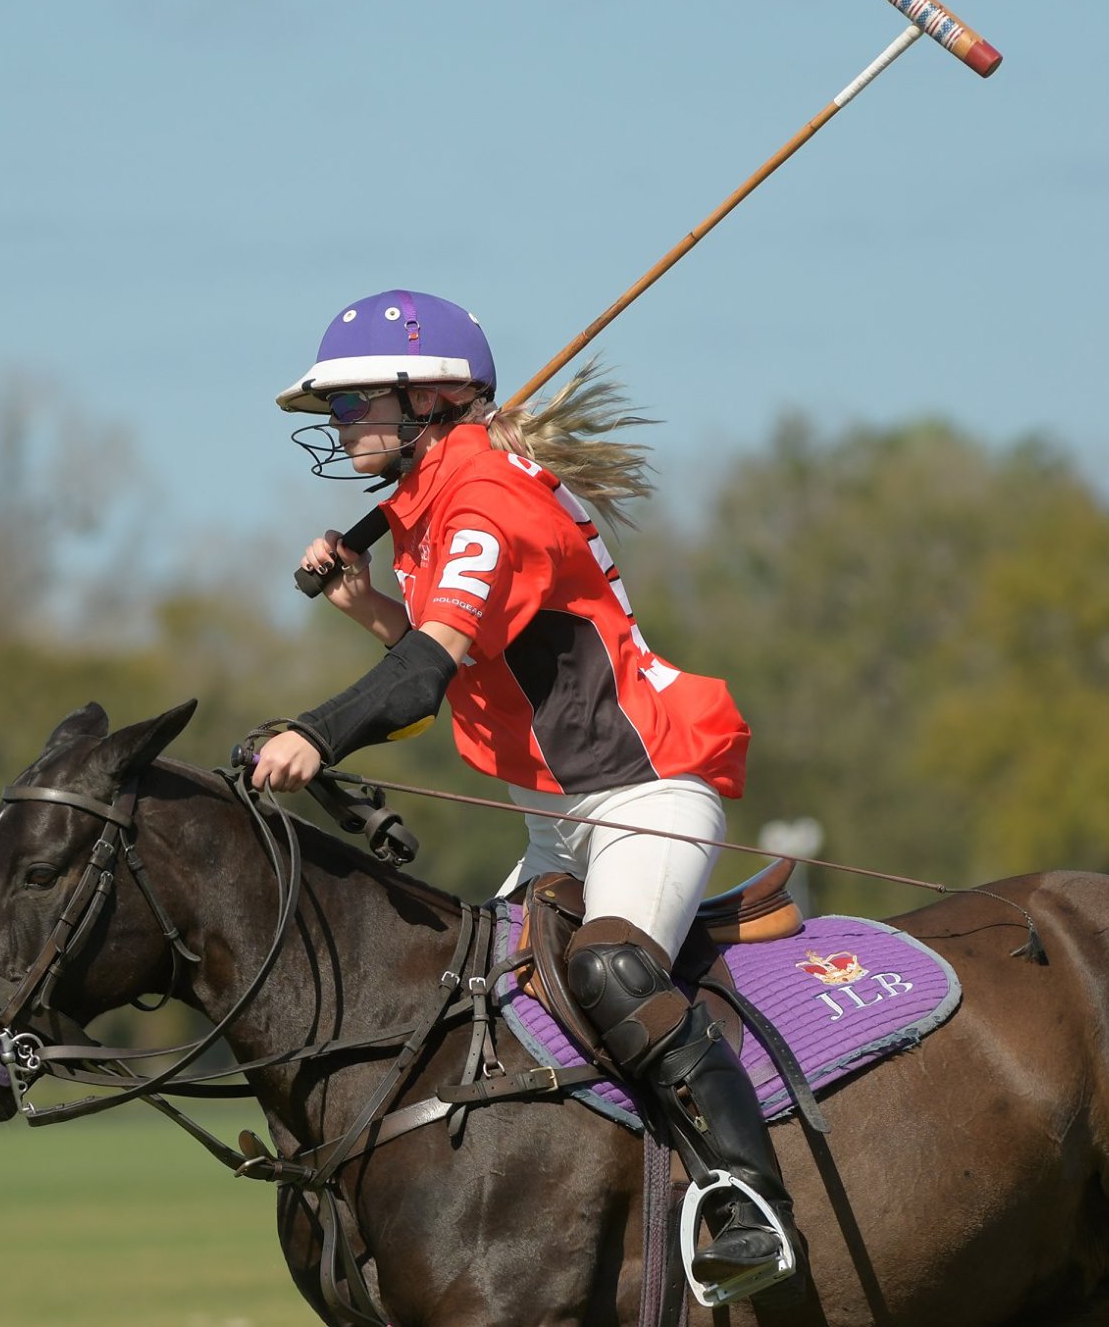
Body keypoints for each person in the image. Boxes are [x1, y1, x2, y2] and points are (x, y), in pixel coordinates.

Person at [247, 289, 798, 1299]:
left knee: (614, 975)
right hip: (555, 824)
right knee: (465, 1006)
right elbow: (451, 683)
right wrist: (366, 602)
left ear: (432, 396)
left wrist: (311, 735)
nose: (340, 426)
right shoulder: (434, 510)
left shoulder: (485, 502)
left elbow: (420, 677)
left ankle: (743, 1198)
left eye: (355, 402)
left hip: (645, 795)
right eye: (333, 410)